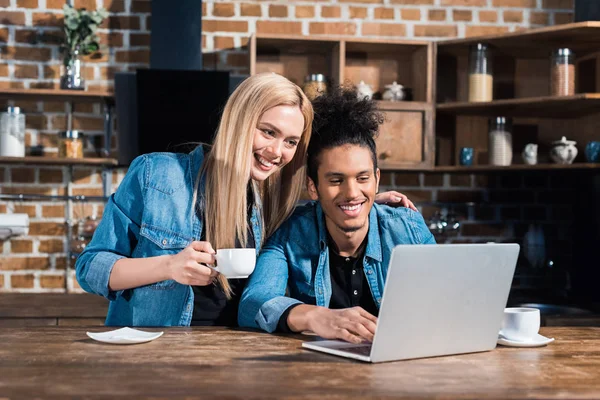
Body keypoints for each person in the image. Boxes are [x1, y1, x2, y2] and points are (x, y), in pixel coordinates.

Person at [76, 73, 415, 327]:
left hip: (239, 352)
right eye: (268, 132)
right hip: (158, 347)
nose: (276, 152)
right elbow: (91, 268)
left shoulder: (274, 200)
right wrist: (168, 266)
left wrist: (360, 199)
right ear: (240, 120)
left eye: (290, 141)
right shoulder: (157, 175)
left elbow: (317, 213)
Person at [238, 86, 436, 343]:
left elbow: (443, 301)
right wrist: (315, 317)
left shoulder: (407, 228)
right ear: (313, 187)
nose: (352, 192)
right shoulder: (292, 232)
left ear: (376, 180)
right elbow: (253, 303)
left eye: (362, 178)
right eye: (336, 180)